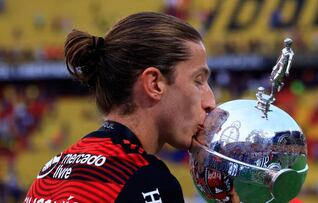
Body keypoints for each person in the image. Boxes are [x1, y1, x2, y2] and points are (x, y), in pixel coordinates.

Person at [24, 12, 240, 203]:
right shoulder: (146, 182)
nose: (210, 101)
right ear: (154, 83)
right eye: (198, 80)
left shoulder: (52, 169)